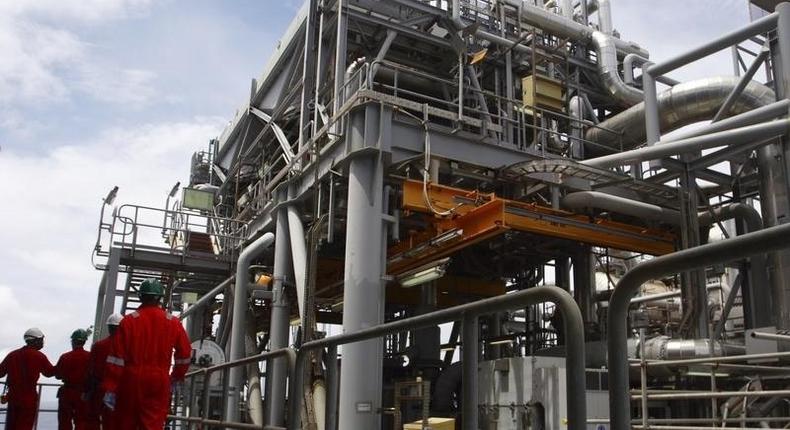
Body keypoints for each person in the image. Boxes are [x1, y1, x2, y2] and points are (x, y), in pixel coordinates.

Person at [102, 279, 192, 430]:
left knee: (126, 423)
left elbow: (116, 359)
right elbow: (184, 354)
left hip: (131, 380)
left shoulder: (129, 321)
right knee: (153, 424)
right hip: (159, 380)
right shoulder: (173, 322)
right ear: (160, 298)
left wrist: (110, 387)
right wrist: (176, 377)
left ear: (140, 297)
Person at [0, 328, 56, 430]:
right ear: (35, 340)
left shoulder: (12, 355)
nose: (42, 343)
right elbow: (49, 373)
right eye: (41, 340)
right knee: (25, 425)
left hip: (13, 397)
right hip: (29, 397)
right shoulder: (39, 356)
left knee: (11, 425)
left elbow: (0, 372)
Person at [85, 314, 122, 430]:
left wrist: (87, 390)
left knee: (94, 418)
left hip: (99, 388)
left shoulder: (98, 346)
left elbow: (91, 370)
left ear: (109, 327)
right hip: (119, 389)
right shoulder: (127, 346)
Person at [55, 329, 91, 430]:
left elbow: (57, 375)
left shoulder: (65, 357)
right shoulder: (90, 357)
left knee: (64, 421)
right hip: (83, 393)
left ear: (73, 341)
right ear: (84, 341)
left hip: (67, 392)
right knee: (81, 421)